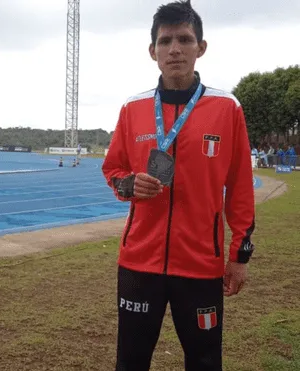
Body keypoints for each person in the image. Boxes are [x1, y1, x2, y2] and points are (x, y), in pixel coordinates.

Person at [101, 1, 255, 370]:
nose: (175, 49)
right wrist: (127, 185)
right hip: (139, 264)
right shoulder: (132, 108)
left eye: (184, 39)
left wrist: (239, 256)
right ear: (152, 51)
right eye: (165, 40)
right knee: (131, 361)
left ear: (201, 48)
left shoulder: (226, 107)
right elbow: (113, 170)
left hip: (201, 264)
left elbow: (240, 186)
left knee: (204, 361)